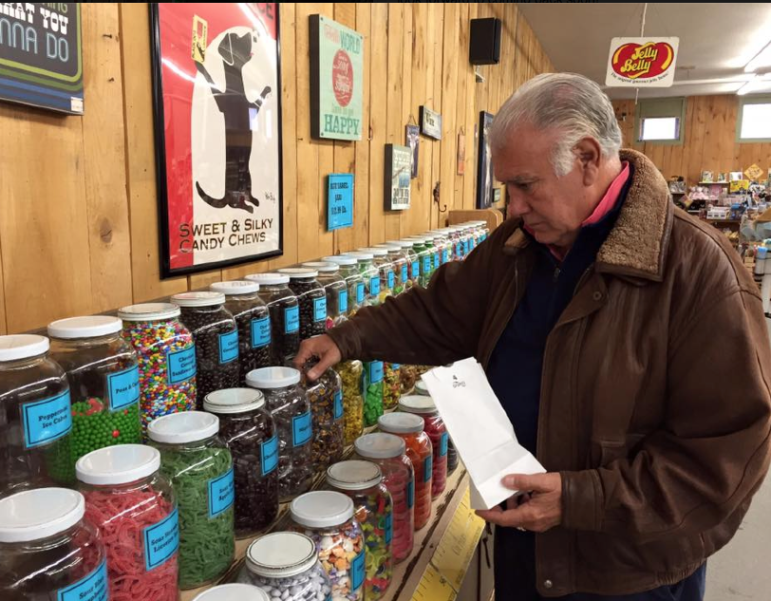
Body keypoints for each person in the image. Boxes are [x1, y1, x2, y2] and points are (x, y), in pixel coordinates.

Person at [295, 73, 771, 600]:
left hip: (629, 576)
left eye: (526, 185)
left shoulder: (699, 272)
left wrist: (581, 499)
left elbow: (723, 459)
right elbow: (439, 312)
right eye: (507, 188)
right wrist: (349, 338)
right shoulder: (517, 247)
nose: (513, 206)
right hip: (526, 550)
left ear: (587, 158)